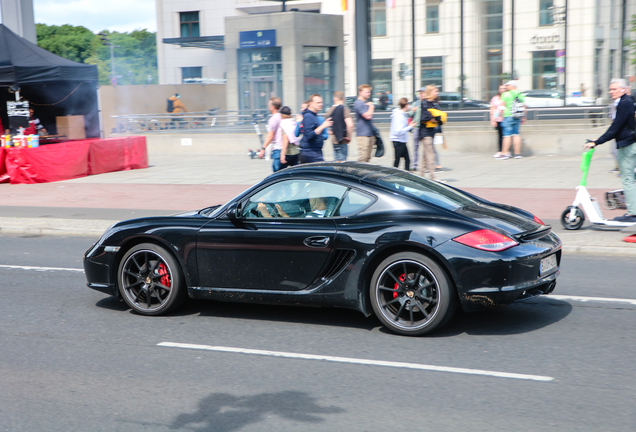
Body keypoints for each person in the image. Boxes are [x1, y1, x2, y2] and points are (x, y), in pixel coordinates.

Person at [584, 78, 636, 222]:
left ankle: (633, 214)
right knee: (630, 177)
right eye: (610, 89)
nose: (610, 92)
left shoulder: (624, 104)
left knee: (627, 179)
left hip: (628, 145)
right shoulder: (626, 102)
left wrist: (596, 142)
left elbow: (615, 128)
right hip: (630, 143)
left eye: (614, 89)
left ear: (623, 89)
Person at [411, 85, 440, 180]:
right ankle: (432, 177)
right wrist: (433, 118)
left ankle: (421, 177)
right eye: (435, 91)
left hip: (431, 132)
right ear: (430, 92)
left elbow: (439, 118)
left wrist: (435, 119)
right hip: (425, 133)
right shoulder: (424, 103)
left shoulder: (434, 103)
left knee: (424, 156)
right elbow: (424, 118)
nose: (437, 93)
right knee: (431, 154)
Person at [299, 94, 332, 164]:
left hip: (314, 151)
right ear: (310, 104)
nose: (321, 104)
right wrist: (323, 126)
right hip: (311, 153)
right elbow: (309, 135)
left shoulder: (313, 116)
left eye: (321, 102)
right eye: (318, 103)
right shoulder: (308, 116)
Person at [498, 80, 526, 160]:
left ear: (511, 85)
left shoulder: (506, 94)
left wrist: (501, 115)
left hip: (508, 116)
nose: (506, 87)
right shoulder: (520, 94)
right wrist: (524, 117)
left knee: (507, 135)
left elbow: (502, 106)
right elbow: (524, 107)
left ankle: (504, 154)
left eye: (507, 85)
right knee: (516, 134)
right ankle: (517, 154)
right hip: (517, 116)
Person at [324, 91, 353, 161]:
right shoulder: (344, 109)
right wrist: (349, 137)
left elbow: (323, 123)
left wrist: (329, 131)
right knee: (342, 163)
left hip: (334, 140)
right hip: (343, 139)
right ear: (343, 99)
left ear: (334, 99)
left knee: (336, 161)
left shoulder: (330, 110)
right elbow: (350, 125)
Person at [258, 97, 284, 172]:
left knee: (277, 173)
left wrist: (263, 149)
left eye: (269, 105)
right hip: (286, 148)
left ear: (273, 107)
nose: (269, 107)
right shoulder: (283, 116)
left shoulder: (273, 119)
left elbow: (270, 135)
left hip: (278, 148)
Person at [389, 97, 414, 170]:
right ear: (406, 105)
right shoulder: (399, 116)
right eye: (409, 104)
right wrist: (410, 127)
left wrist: (409, 125)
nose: (409, 105)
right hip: (398, 141)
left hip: (400, 140)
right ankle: (393, 174)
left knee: (405, 160)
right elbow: (398, 131)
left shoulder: (401, 114)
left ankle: (406, 174)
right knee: (398, 161)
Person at [353, 84, 376, 162]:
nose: (369, 93)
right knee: (363, 157)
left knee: (367, 158)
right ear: (360, 92)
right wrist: (372, 107)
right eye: (367, 92)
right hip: (363, 135)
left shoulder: (365, 103)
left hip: (369, 133)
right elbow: (367, 116)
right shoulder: (358, 103)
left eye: (369, 92)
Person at [490, 84, 506, 158]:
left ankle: (506, 151)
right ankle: (500, 151)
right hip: (498, 119)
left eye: (504, 88)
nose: (502, 90)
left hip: (506, 118)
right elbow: (492, 109)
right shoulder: (495, 98)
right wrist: (493, 119)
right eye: (501, 88)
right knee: (500, 135)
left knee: (507, 136)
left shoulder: (507, 97)